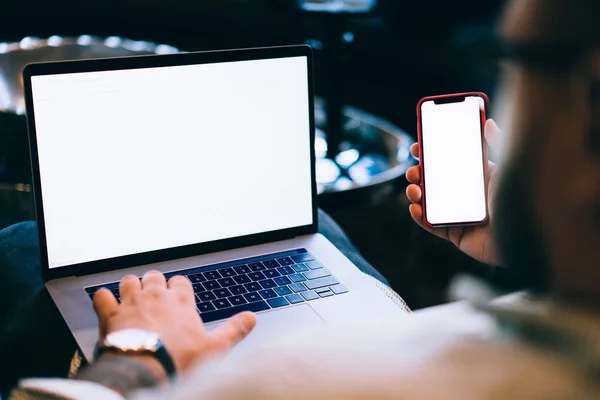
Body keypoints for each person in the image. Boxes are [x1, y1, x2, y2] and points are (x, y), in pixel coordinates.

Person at [7, 0, 600, 397]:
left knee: (22, 247)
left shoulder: (293, 377)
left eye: (516, 60)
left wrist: (139, 353)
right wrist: (533, 250)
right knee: (315, 233)